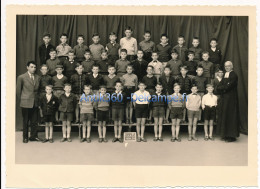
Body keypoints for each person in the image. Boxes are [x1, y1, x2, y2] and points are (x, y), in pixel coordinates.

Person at [16, 61, 41, 143]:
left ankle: (33, 136)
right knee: (25, 121)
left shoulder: (38, 77)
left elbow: (38, 90)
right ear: (27, 67)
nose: (33, 69)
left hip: (35, 102)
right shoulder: (21, 77)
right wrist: (23, 100)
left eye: (34, 67)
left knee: (34, 121)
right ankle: (25, 137)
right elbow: (18, 91)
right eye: (31, 67)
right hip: (25, 102)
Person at [216, 61, 240, 142]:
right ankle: (225, 134)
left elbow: (228, 87)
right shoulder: (225, 74)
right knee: (225, 115)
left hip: (231, 99)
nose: (227, 67)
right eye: (225, 66)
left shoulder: (234, 75)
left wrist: (223, 88)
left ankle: (231, 136)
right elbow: (219, 86)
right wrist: (223, 87)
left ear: (232, 66)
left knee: (230, 116)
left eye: (228, 66)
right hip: (224, 98)